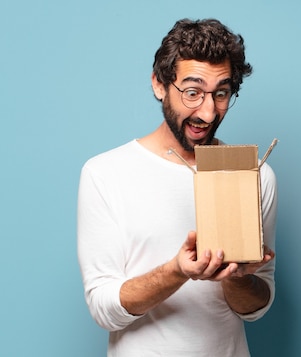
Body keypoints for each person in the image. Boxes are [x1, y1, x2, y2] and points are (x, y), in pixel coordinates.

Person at [77, 18, 277, 357]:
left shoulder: (255, 174)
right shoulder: (105, 173)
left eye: (222, 93)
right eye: (193, 92)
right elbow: (103, 309)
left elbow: (256, 308)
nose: (209, 111)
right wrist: (177, 271)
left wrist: (236, 276)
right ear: (159, 84)